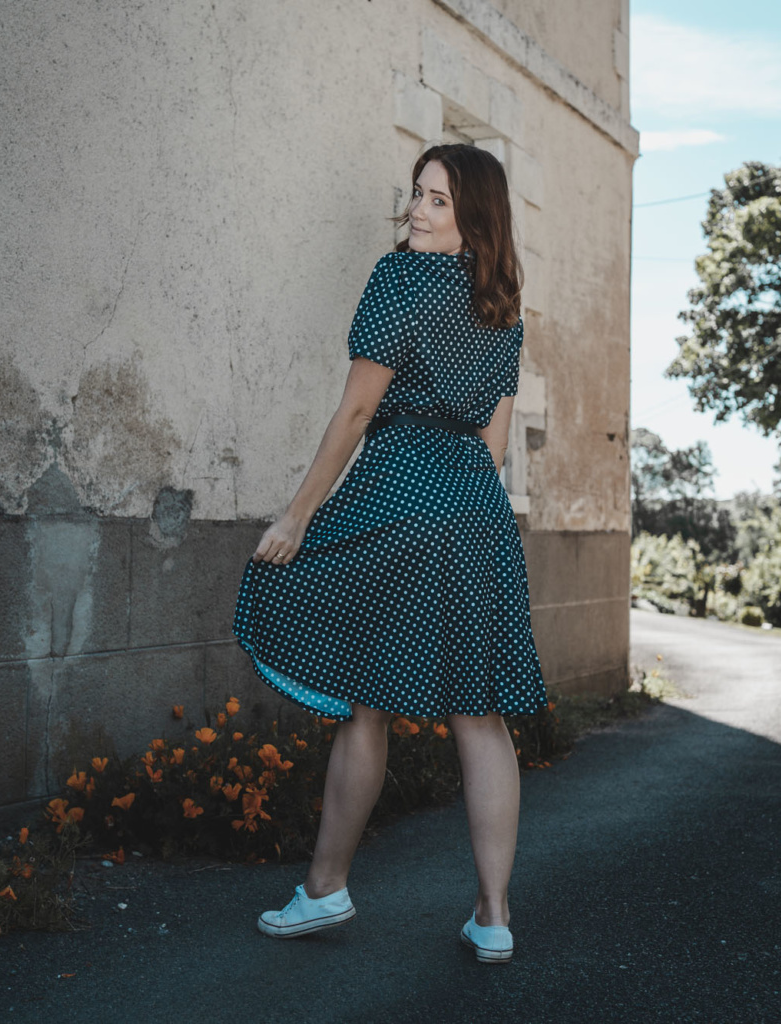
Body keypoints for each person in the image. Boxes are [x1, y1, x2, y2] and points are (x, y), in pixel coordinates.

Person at [231, 143, 546, 964]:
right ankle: (494, 915)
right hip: (476, 510)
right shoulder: (503, 306)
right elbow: (494, 443)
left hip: (399, 494)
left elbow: (356, 412)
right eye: (417, 193)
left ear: (474, 216)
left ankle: (326, 888)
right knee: (479, 713)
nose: (417, 210)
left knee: (367, 701)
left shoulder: (399, 279)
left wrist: (297, 516)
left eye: (439, 200)